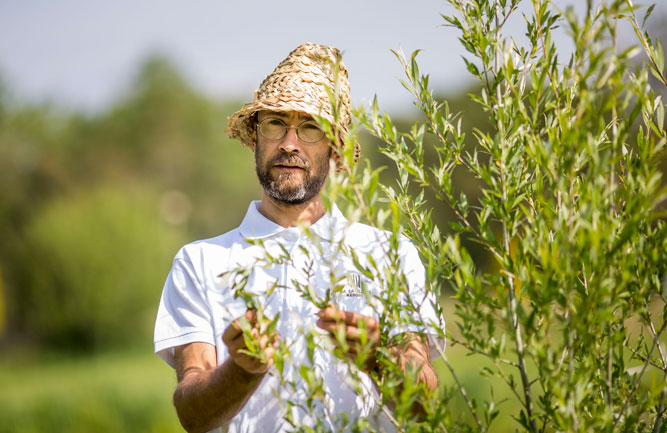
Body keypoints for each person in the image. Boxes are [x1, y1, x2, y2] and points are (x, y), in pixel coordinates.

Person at [154, 42, 443, 433]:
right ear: (255, 137)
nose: (289, 143)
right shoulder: (200, 262)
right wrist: (241, 370)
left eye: (310, 127)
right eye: (275, 123)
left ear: (335, 148)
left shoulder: (389, 254)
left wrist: (380, 361)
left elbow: (426, 409)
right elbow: (193, 416)